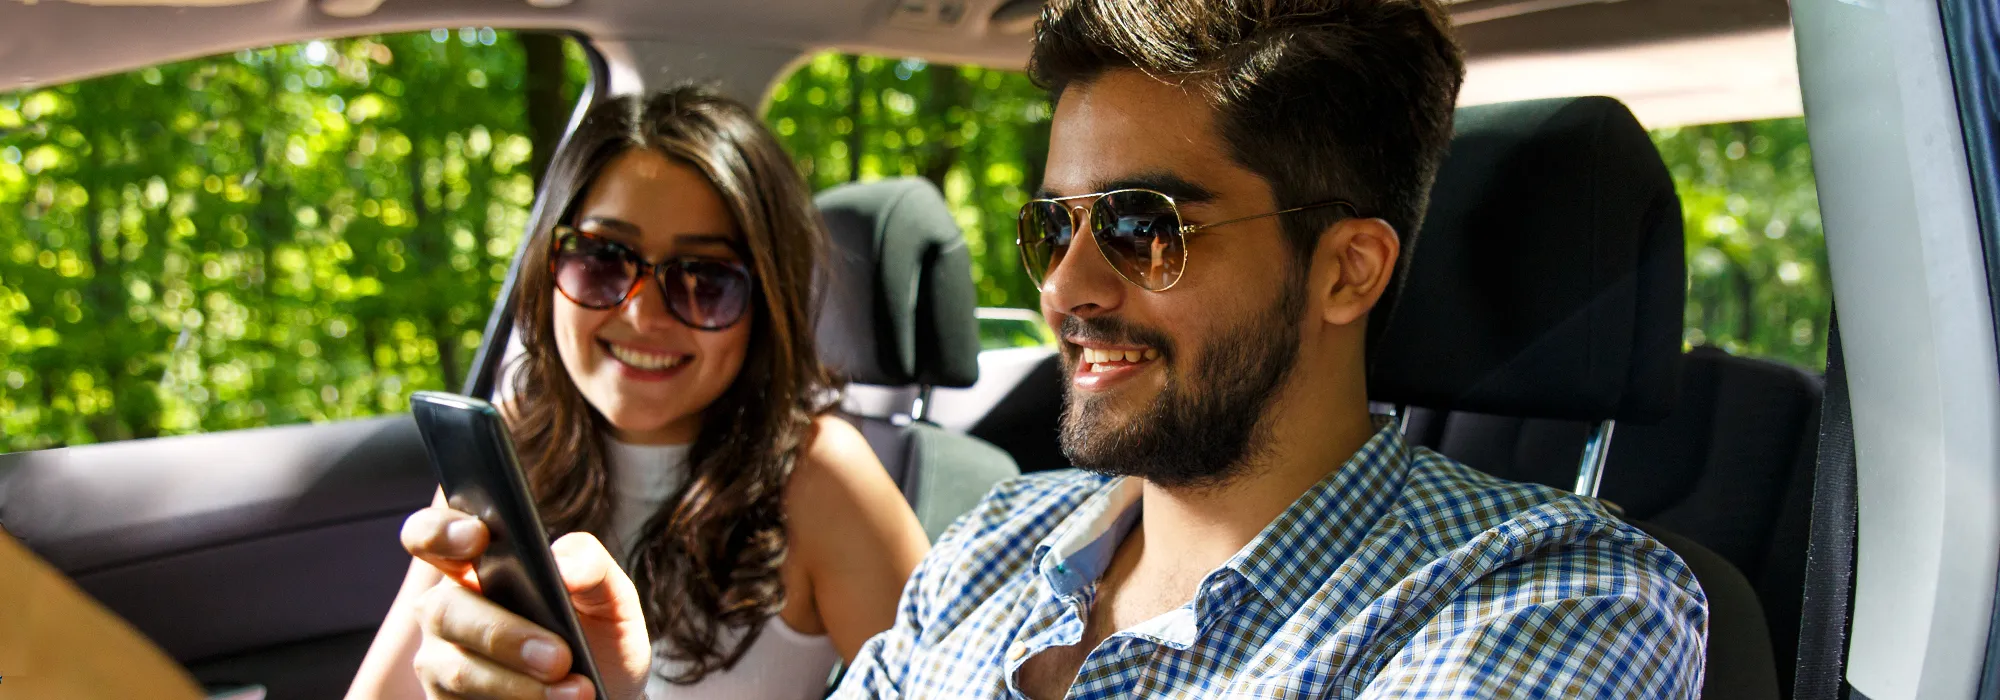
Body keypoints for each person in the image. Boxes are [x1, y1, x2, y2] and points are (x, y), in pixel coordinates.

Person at [828, 0, 1709, 696]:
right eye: (1055, 225)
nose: (1064, 287)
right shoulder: (990, 545)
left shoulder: (1553, 599)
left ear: (1347, 271)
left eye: (1144, 226)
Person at [343, 87, 930, 700]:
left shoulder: (820, 472)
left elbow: (950, 679)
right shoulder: (513, 446)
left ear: (767, 303)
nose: (642, 314)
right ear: (550, 263)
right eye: (602, 260)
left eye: (705, 279)